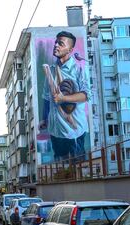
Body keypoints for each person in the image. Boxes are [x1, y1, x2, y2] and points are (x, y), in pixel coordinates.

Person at [39, 31, 91, 162]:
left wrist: (63, 98)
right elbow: (46, 97)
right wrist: (44, 119)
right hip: (55, 132)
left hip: (73, 133)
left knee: (78, 171)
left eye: (61, 44)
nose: (56, 45)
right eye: (56, 42)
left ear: (70, 49)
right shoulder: (51, 70)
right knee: (60, 172)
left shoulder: (79, 69)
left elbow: (85, 95)